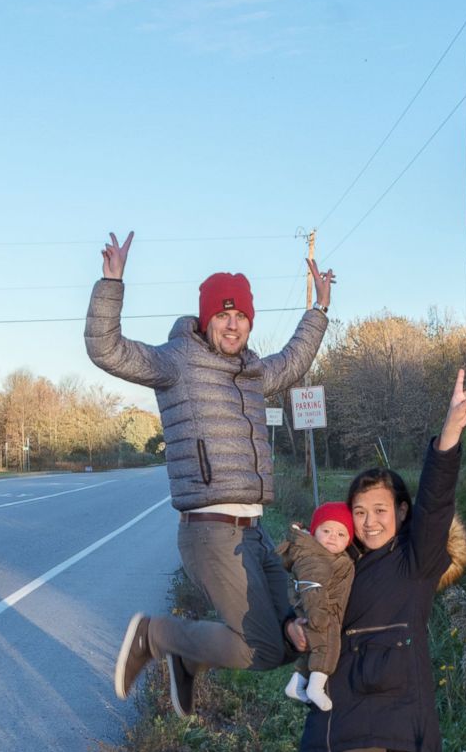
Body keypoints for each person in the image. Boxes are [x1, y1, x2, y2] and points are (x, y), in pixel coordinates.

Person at [84, 231, 333, 718]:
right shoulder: (176, 362)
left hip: (254, 533)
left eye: (240, 315)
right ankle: (155, 636)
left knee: (288, 642)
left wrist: (319, 311)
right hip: (210, 529)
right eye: (223, 314)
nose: (233, 324)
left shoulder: (253, 371)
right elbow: (107, 350)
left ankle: (186, 659)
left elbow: (295, 361)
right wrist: (111, 284)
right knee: (258, 648)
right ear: (206, 318)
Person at [280, 369, 466, 752]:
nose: (369, 521)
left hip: (384, 715)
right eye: (359, 511)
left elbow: (438, 496)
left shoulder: (416, 561)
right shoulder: (338, 568)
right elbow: (309, 614)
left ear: (401, 513)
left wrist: (449, 432)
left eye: (381, 509)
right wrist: (295, 627)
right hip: (330, 714)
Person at [276, 502, 355, 711]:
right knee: (328, 647)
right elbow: (313, 588)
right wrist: (318, 616)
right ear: (314, 531)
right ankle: (316, 687)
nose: (332, 537)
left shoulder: (326, 556)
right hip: (319, 610)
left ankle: (297, 683)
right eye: (326, 530)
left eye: (341, 534)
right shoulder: (316, 559)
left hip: (316, 609)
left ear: (349, 540)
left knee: (311, 650)